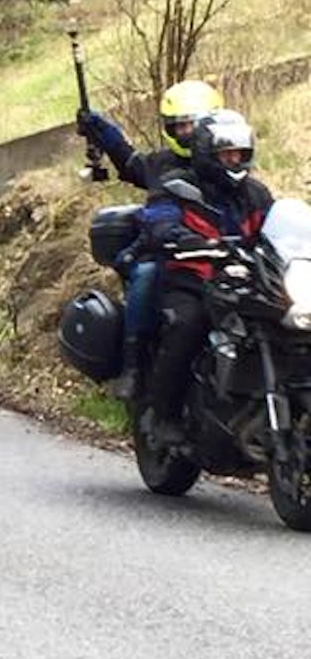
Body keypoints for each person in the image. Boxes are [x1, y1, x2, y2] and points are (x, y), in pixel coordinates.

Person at [78, 79, 225, 398]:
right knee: (146, 275)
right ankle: (132, 366)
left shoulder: (226, 164)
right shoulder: (161, 163)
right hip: (166, 253)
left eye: (192, 125)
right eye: (179, 127)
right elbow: (129, 161)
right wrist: (100, 127)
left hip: (218, 256)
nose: (185, 133)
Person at [140, 109, 272, 445]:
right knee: (189, 323)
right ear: (206, 154)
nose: (233, 160)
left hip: (244, 283)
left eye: (239, 154)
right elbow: (158, 220)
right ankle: (162, 414)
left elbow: (277, 228)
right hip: (192, 281)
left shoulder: (256, 195)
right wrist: (180, 237)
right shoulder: (177, 187)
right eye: (226, 154)